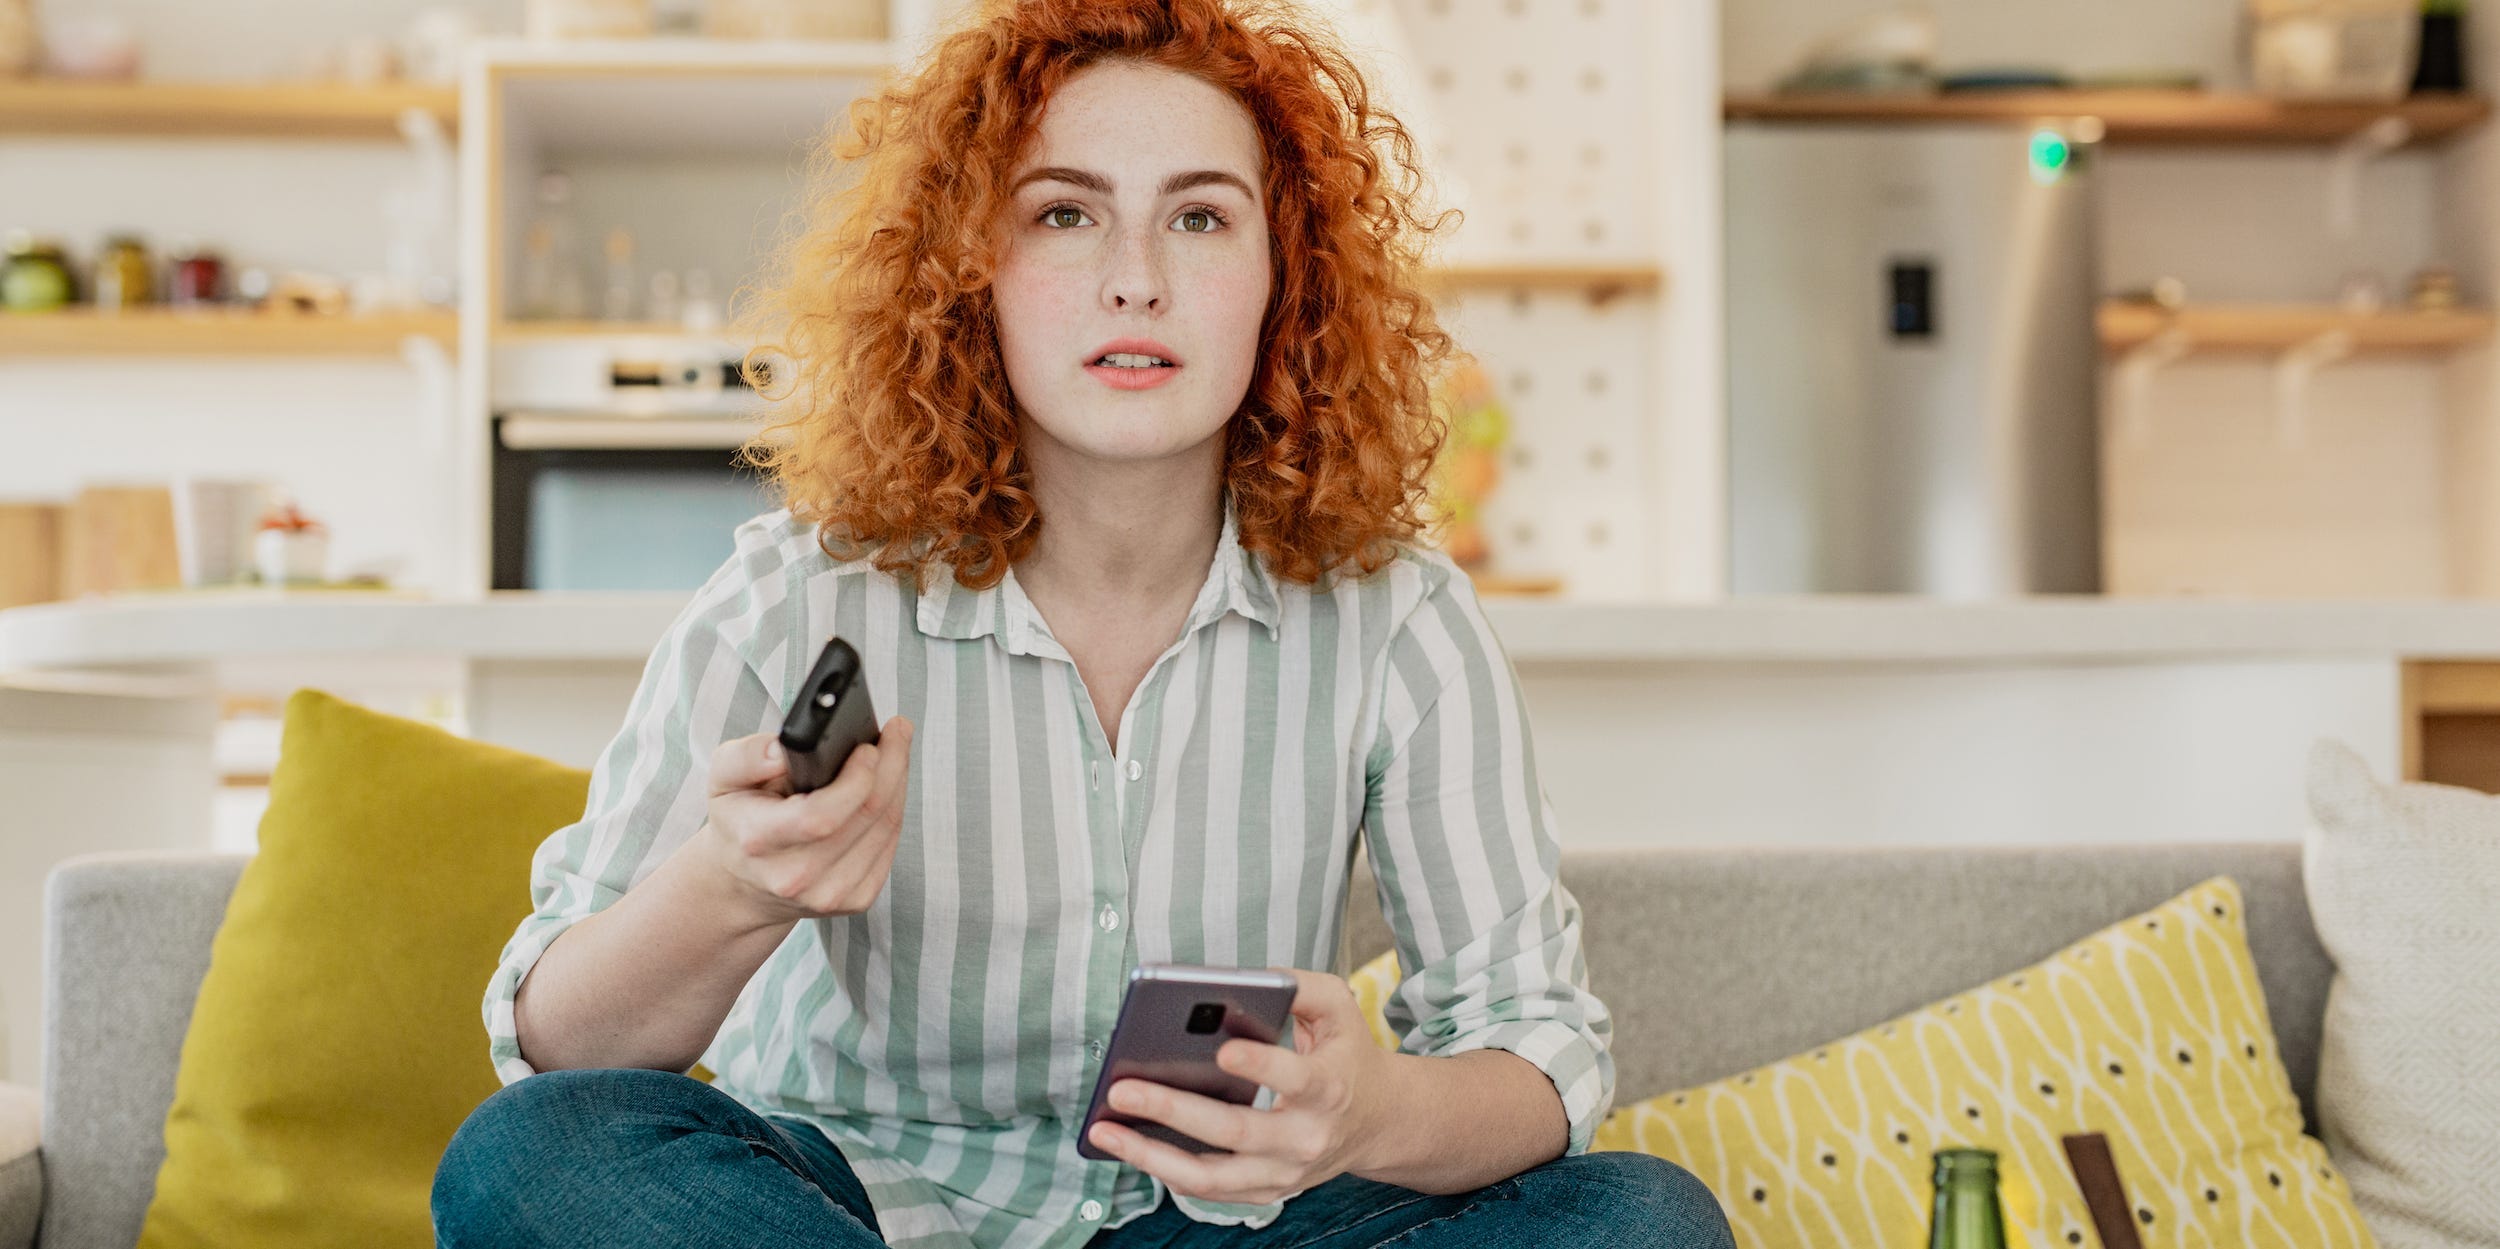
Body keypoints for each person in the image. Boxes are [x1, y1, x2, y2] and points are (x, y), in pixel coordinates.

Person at [432, 1, 1734, 1246]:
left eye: (1202, 218)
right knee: (528, 1156)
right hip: (849, 1211)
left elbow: (1542, 1047)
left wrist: (1372, 1110)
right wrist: (735, 881)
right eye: (1064, 213)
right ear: (969, 275)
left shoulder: (1400, 617)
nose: (1136, 281)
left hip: (1226, 1228)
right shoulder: (795, 593)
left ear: (1288, 279)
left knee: (1643, 1221)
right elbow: (555, 1048)